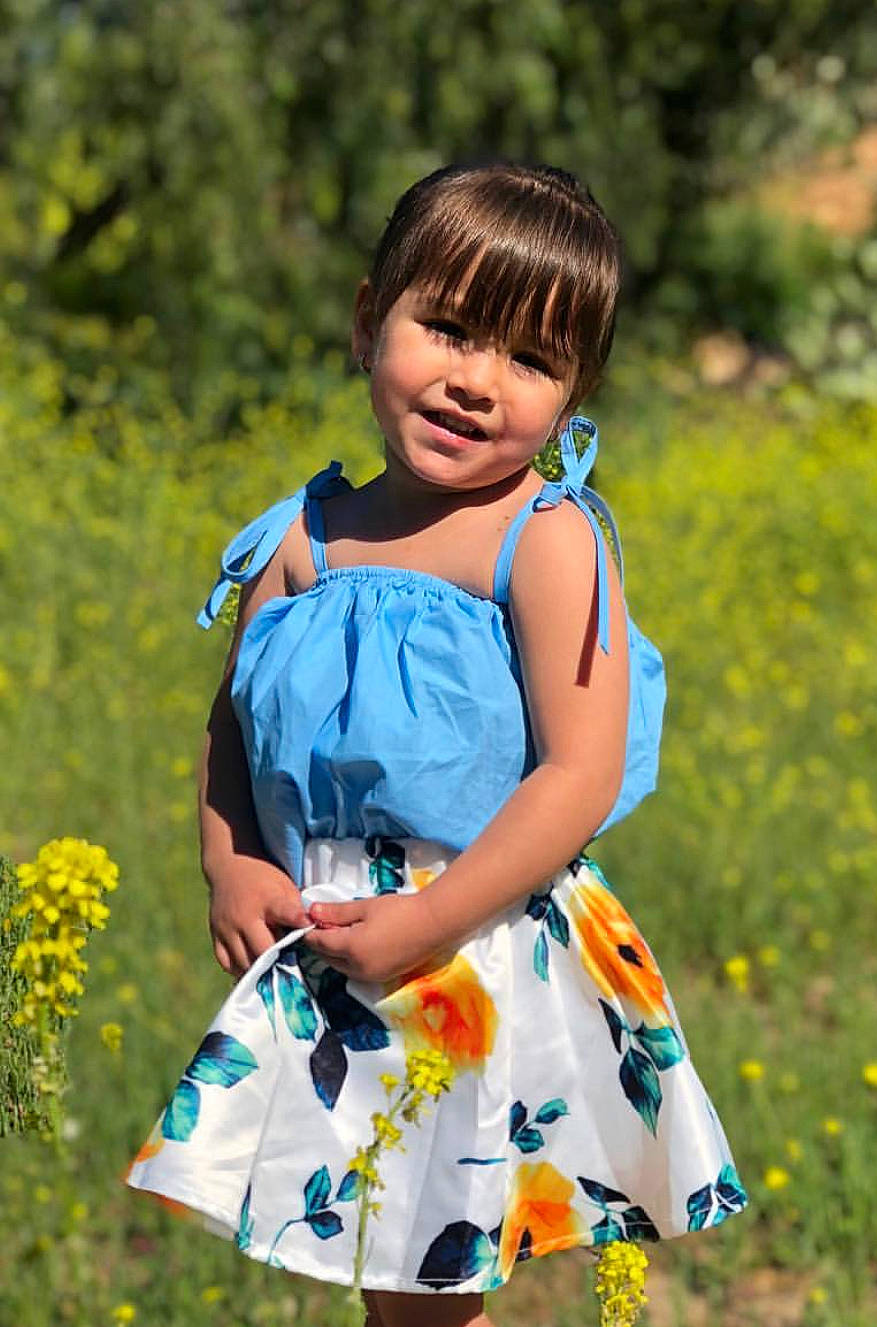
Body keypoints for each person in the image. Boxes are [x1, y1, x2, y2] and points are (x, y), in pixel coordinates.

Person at [125, 161, 748, 1326]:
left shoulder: (546, 540)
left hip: (477, 934)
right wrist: (234, 858)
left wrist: (431, 915)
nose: (476, 380)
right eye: (450, 328)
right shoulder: (304, 538)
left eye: (530, 359)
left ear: (574, 394)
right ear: (371, 321)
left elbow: (581, 770)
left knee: (430, 1276)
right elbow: (233, 717)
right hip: (331, 936)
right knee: (384, 1266)